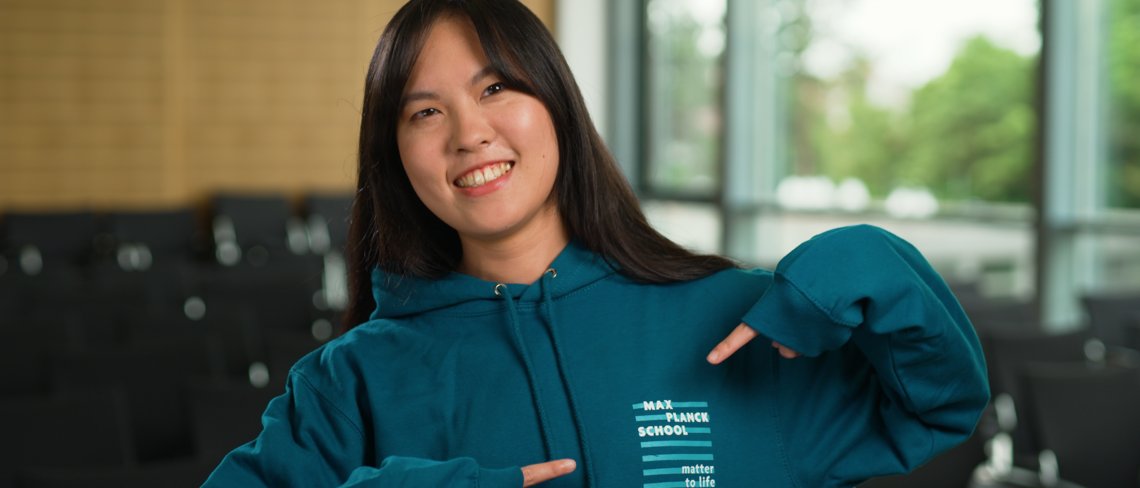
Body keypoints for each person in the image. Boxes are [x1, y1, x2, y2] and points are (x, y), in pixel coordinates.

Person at [203, 0, 989, 486]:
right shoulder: (354, 381)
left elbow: (940, 406)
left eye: (495, 88)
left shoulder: (739, 325)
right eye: (424, 112)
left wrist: (872, 260)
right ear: (395, 159)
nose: (470, 134)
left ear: (557, 107)